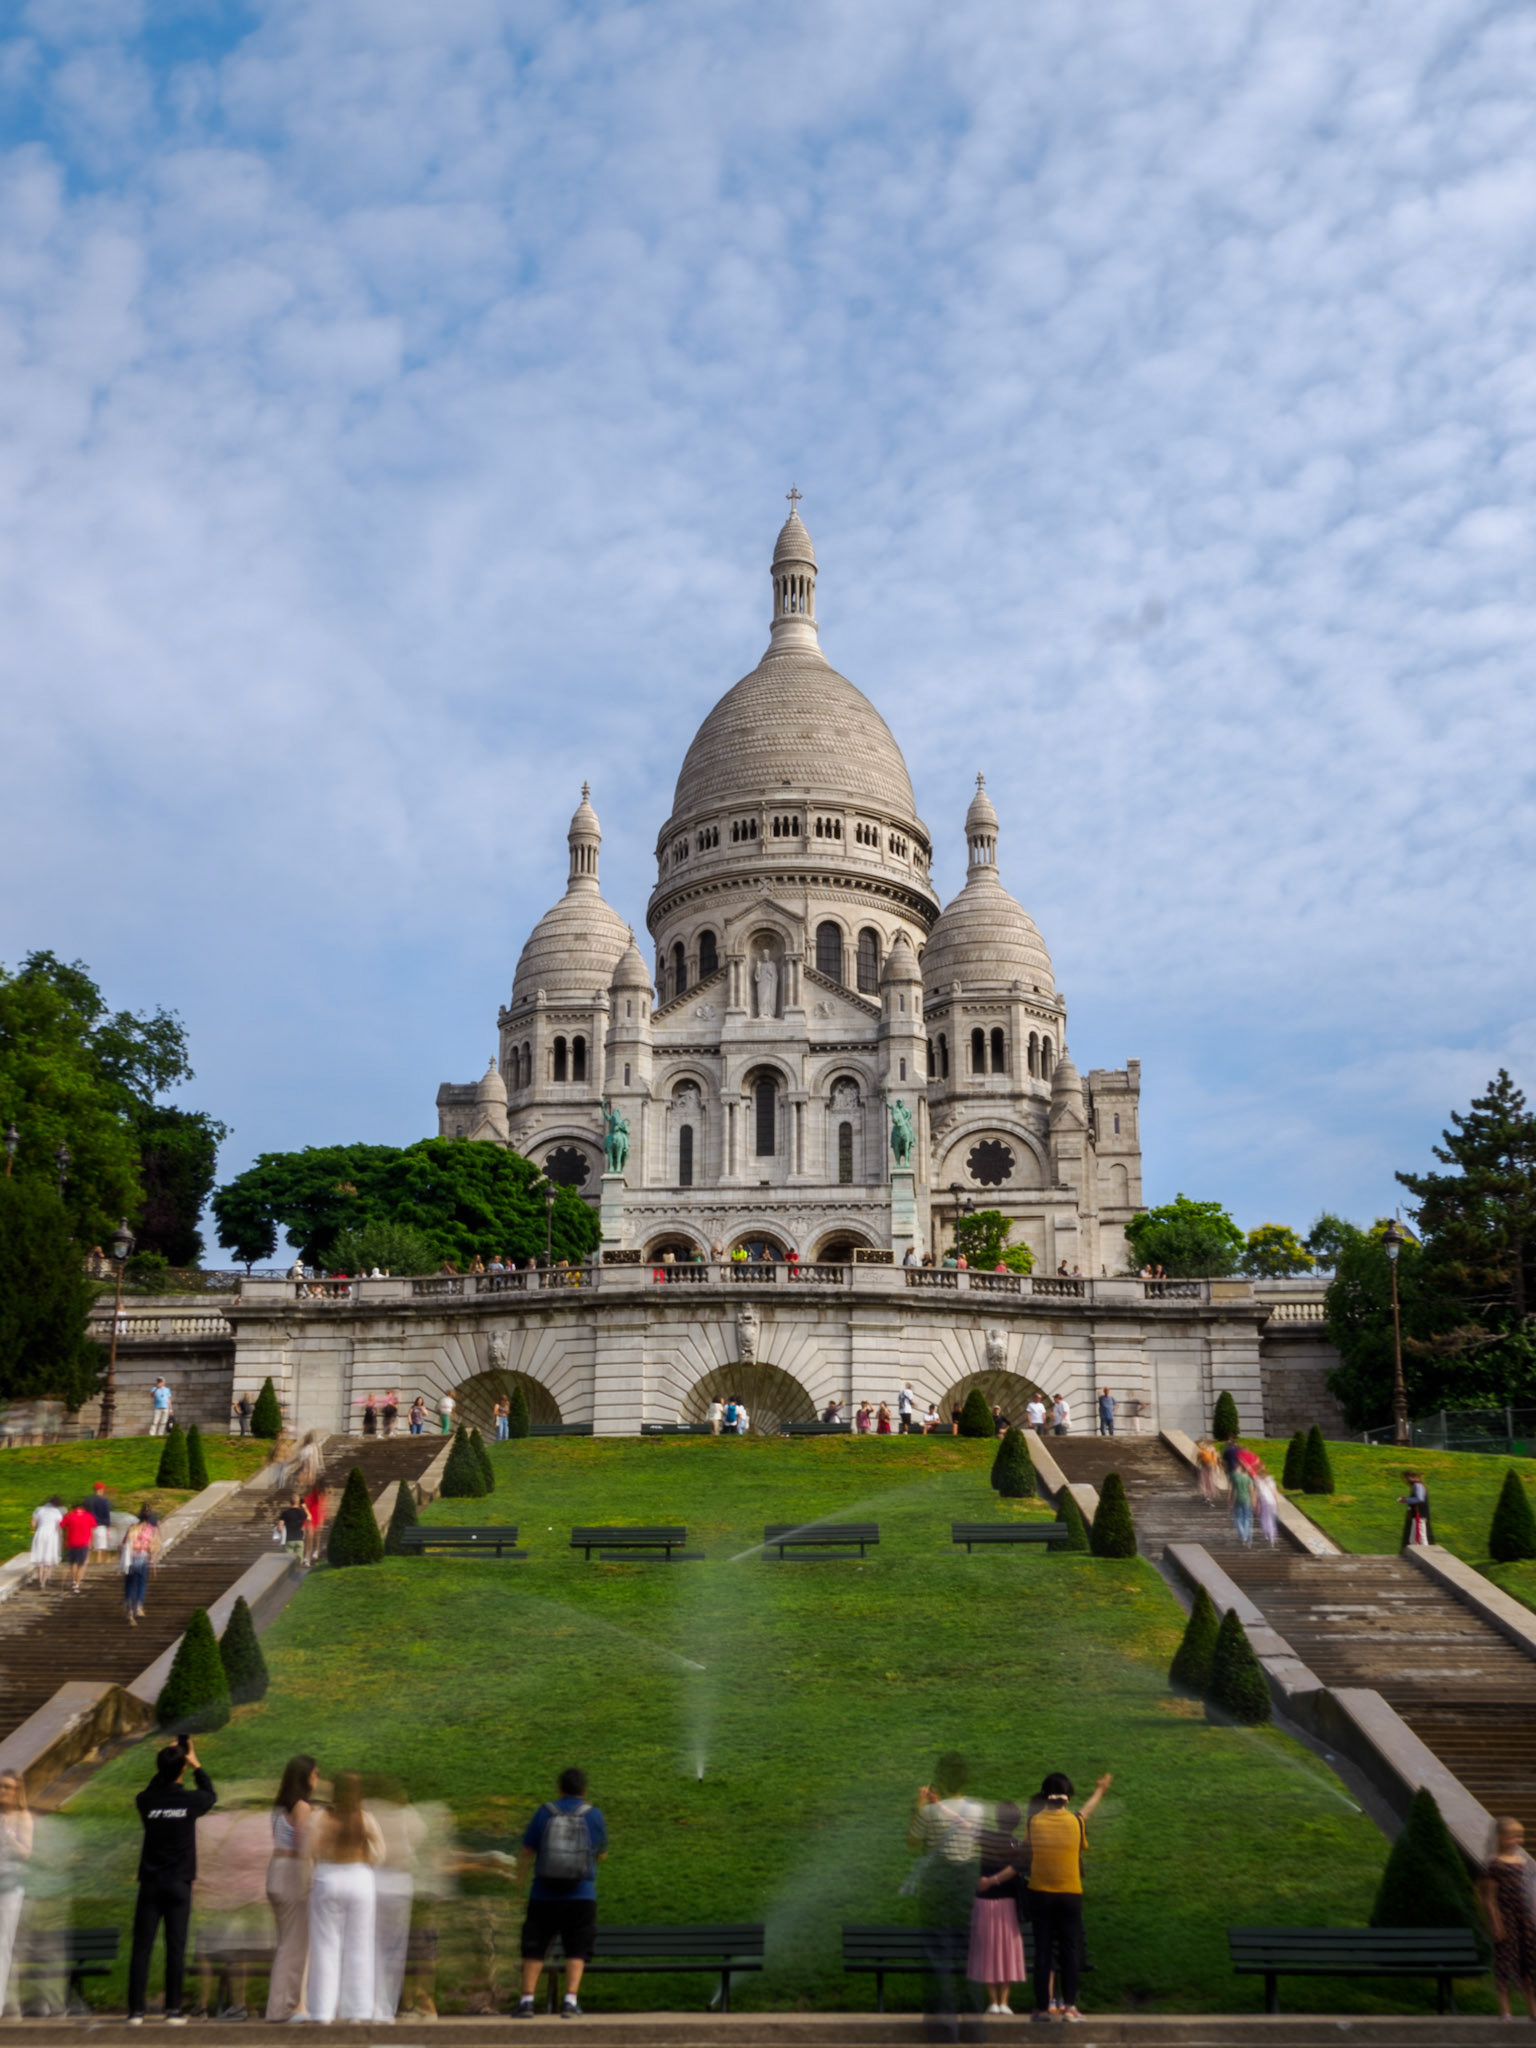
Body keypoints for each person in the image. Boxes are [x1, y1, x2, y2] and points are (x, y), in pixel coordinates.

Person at [128, 1736, 217, 2024]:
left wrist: (167, 1764)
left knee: (142, 1947)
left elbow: (149, 1791)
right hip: (179, 1884)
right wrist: (194, 1763)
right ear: (182, 1770)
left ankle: (135, 2011)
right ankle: (173, 2010)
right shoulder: (191, 1801)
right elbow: (210, 1794)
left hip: (151, 1883)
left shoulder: (146, 1801)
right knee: (175, 1947)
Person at [511, 1767, 609, 2019]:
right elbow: (602, 1853)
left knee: (535, 1947)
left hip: (543, 1893)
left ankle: (526, 2001)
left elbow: (527, 1850)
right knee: (576, 1948)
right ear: (584, 1790)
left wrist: (520, 1883)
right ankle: (570, 2001)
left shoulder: (544, 1812)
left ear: (559, 1788)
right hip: (581, 1895)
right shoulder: (594, 1815)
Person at [1017, 1770, 1111, 2025]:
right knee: (1069, 1951)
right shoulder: (1076, 1823)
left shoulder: (1033, 1823)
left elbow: (1028, 1851)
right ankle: (1070, 2007)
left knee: (1043, 1951)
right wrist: (1100, 1790)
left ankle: (1041, 2009)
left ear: (1044, 1796)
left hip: (1040, 1893)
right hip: (1070, 1894)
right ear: (1067, 1797)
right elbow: (1085, 1814)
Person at [907, 1753, 985, 2036]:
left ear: (940, 1778)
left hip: (937, 1887)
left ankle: (942, 2028)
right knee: (969, 1956)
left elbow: (913, 1842)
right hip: (965, 1886)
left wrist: (920, 1807)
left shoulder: (930, 1812)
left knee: (937, 1954)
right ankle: (974, 2028)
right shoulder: (976, 1810)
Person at [306, 1771, 384, 2023]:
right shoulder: (365, 1818)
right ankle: (358, 2010)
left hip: (327, 1877)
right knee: (360, 1945)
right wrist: (365, 1861)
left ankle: (322, 2011)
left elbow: (310, 1850)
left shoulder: (321, 1817)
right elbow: (380, 1853)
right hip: (360, 1879)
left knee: (325, 1946)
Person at [265, 1755, 319, 2021]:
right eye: (315, 1774)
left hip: (275, 1870)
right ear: (306, 1777)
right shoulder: (301, 1807)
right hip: (292, 1874)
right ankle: (286, 2007)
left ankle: (286, 2006)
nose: (317, 1779)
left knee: (286, 1942)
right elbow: (303, 1848)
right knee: (294, 1945)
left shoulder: (278, 1807)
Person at [970, 1800, 1026, 2015]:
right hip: (1008, 1904)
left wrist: (938, 1805)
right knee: (1007, 1951)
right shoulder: (1018, 1845)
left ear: (997, 1819)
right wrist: (995, 1880)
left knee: (988, 1950)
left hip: (984, 1903)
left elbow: (962, 1824)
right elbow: (1016, 1869)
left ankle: (993, 2001)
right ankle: (1004, 2001)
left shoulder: (986, 1838)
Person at [1479, 1816, 1536, 2022]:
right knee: (1504, 1962)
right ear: (1500, 1837)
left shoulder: (1526, 1863)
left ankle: (1533, 2009)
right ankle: (1505, 2010)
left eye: (1519, 1835)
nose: (1517, 1840)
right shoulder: (1494, 1864)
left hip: (1525, 1919)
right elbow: (1489, 1898)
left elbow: (1531, 1893)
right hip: (1506, 1918)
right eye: (1512, 1835)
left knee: (1529, 1964)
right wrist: (1496, 1923)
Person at [0, 1770, 34, 2021]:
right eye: (0, 1786)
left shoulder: (23, 1817)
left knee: (3, 1944)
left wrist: (8, 1836)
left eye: (7, 1787)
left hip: (9, 1887)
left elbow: (26, 1853)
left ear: (17, 1791)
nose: (2, 1791)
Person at [121, 1506, 160, 1624]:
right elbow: (154, 1545)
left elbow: (123, 1543)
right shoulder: (151, 1529)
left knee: (129, 1584)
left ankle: (129, 1604)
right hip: (142, 1558)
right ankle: (138, 1605)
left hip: (130, 1559)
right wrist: (152, 1558)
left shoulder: (132, 1528)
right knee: (141, 1583)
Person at [29, 1496, 64, 1591]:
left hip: (40, 1533)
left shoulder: (39, 1510)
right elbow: (59, 1526)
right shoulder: (57, 1512)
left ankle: (40, 1580)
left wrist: (38, 1528)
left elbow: (33, 1524)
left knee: (40, 1557)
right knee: (49, 1557)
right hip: (51, 1535)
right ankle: (44, 1581)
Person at [62, 1498, 96, 1595]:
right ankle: (77, 1583)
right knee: (83, 1564)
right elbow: (92, 1530)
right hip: (84, 1543)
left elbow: (62, 1526)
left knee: (73, 1562)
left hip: (72, 1542)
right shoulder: (89, 1516)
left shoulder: (70, 1515)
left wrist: (64, 1540)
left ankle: (74, 1581)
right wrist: (92, 1542)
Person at [1399, 1471, 1432, 1546]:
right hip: (1417, 1514)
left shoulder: (1418, 1485)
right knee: (1413, 1539)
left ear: (1411, 1477)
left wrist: (1406, 1500)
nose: (1405, 1480)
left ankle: (1425, 1552)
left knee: (1421, 1538)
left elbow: (1420, 1499)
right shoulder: (1416, 1485)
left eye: (1406, 1478)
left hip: (1419, 1514)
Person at [89, 1479, 116, 1565]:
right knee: (100, 1548)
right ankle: (98, 1565)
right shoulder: (104, 1501)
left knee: (90, 1547)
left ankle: (88, 1565)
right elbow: (106, 1514)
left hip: (90, 1526)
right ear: (101, 1490)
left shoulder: (89, 1500)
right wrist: (108, 1525)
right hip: (101, 1526)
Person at [275, 1496, 309, 1562]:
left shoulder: (285, 1513)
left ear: (290, 1502)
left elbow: (279, 1528)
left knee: (288, 1562)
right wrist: (305, 1508)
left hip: (289, 1541)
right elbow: (309, 1518)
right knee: (299, 1561)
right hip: (299, 1540)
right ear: (298, 1502)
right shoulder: (302, 1512)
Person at [303, 1482, 328, 1569]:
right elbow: (304, 1507)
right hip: (310, 1519)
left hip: (317, 1516)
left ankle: (316, 1551)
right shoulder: (307, 1496)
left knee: (316, 1534)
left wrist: (322, 1518)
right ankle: (307, 1558)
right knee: (309, 1539)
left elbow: (322, 1505)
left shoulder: (318, 1494)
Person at [1255, 1464, 1280, 1547]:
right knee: (1271, 1520)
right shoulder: (1271, 1482)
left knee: (1265, 1519)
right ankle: (1272, 1537)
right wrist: (1277, 1504)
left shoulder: (1259, 1483)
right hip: (1272, 1503)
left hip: (1264, 1504)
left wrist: (1257, 1506)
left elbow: (1258, 1496)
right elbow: (1275, 1493)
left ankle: (1267, 1534)